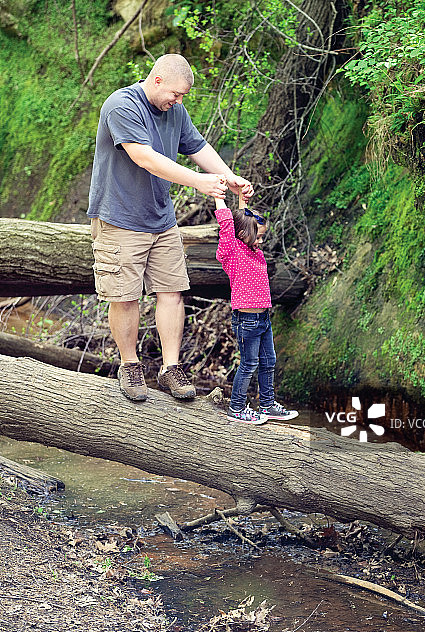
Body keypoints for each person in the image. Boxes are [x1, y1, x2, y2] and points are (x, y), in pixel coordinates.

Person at [87, 53, 253, 403]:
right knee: (125, 295)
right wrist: (199, 182)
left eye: (183, 97)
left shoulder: (174, 110)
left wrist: (229, 179)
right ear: (157, 80)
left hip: (160, 218)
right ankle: (130, 365)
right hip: (119, 218)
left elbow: (198, 147)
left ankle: (170, 368)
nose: (178, 102)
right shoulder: (122, 105)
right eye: (176, 94)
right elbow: (144, 156)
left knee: (172, 291)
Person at [214, 191, 299, 424]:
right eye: (258, 236)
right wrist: (217, 196)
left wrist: (242, 197)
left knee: (269, 361)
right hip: (247, 320)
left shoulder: (254, 252)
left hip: (264, 319)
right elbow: (227, 225)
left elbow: (243, 218)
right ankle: (237, 408)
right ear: (242, 234)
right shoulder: (231, 253)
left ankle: (267, 405)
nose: (261, 241)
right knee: (249, 364)